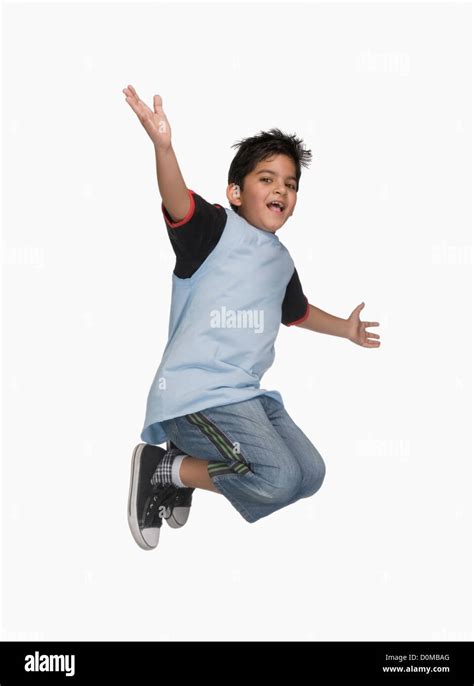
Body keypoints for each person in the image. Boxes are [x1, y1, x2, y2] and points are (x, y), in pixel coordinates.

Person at [123, 84, 381, 550]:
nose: (281, 188)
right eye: (268, 179)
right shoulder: (215, 230)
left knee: (310, 475)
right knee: (277, 478)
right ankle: (166, 470)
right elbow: (178, 200)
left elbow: (297, 313)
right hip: (195, 397)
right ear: (235, 192)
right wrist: (164, 148)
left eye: (290, 183)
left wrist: (345, 328)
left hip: (245, 397)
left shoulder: (281, 261)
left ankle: (183, 465)